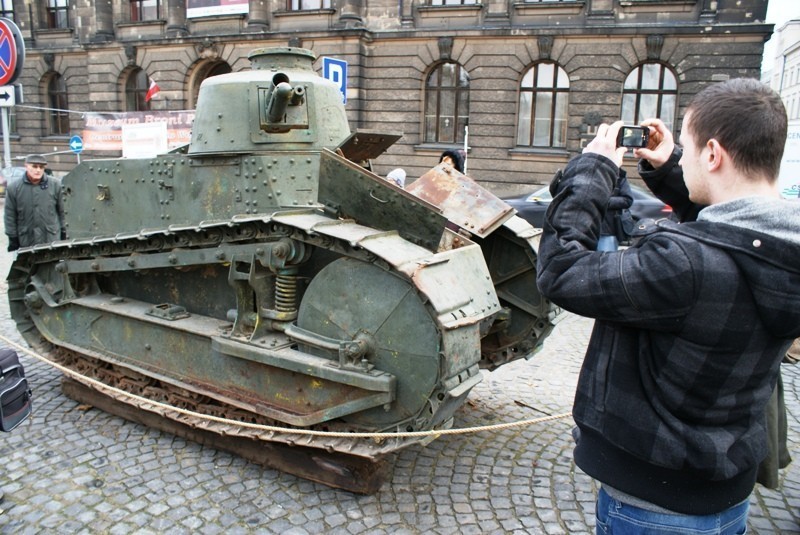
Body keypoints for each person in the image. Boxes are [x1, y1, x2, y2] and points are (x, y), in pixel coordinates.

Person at [535, 77, 800, 533]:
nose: (688, 156)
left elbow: (560, 271)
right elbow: (732, 235)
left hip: (653, 506)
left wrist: (593, 170)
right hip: (726, 492)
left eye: (692, 148)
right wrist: (672, 166)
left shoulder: (682, 265)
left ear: (714, 155)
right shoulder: (782, 247)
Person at [4, 154, 66, 251]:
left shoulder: (55, 185)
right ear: (26, 166)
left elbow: (63, 211)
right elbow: (10, 215)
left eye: (41, 167)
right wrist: (12, 237)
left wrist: (64, 232)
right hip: (26, 241)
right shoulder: (14, 188)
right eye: (34, 166)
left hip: (51, 239)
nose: (38, 170)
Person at [597, 170, 634, 251]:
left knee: (606, 260)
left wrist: (603, 201)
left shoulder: (619, 177)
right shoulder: (586, 174)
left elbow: (628, 200)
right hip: (585, 230)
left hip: (607, 231)